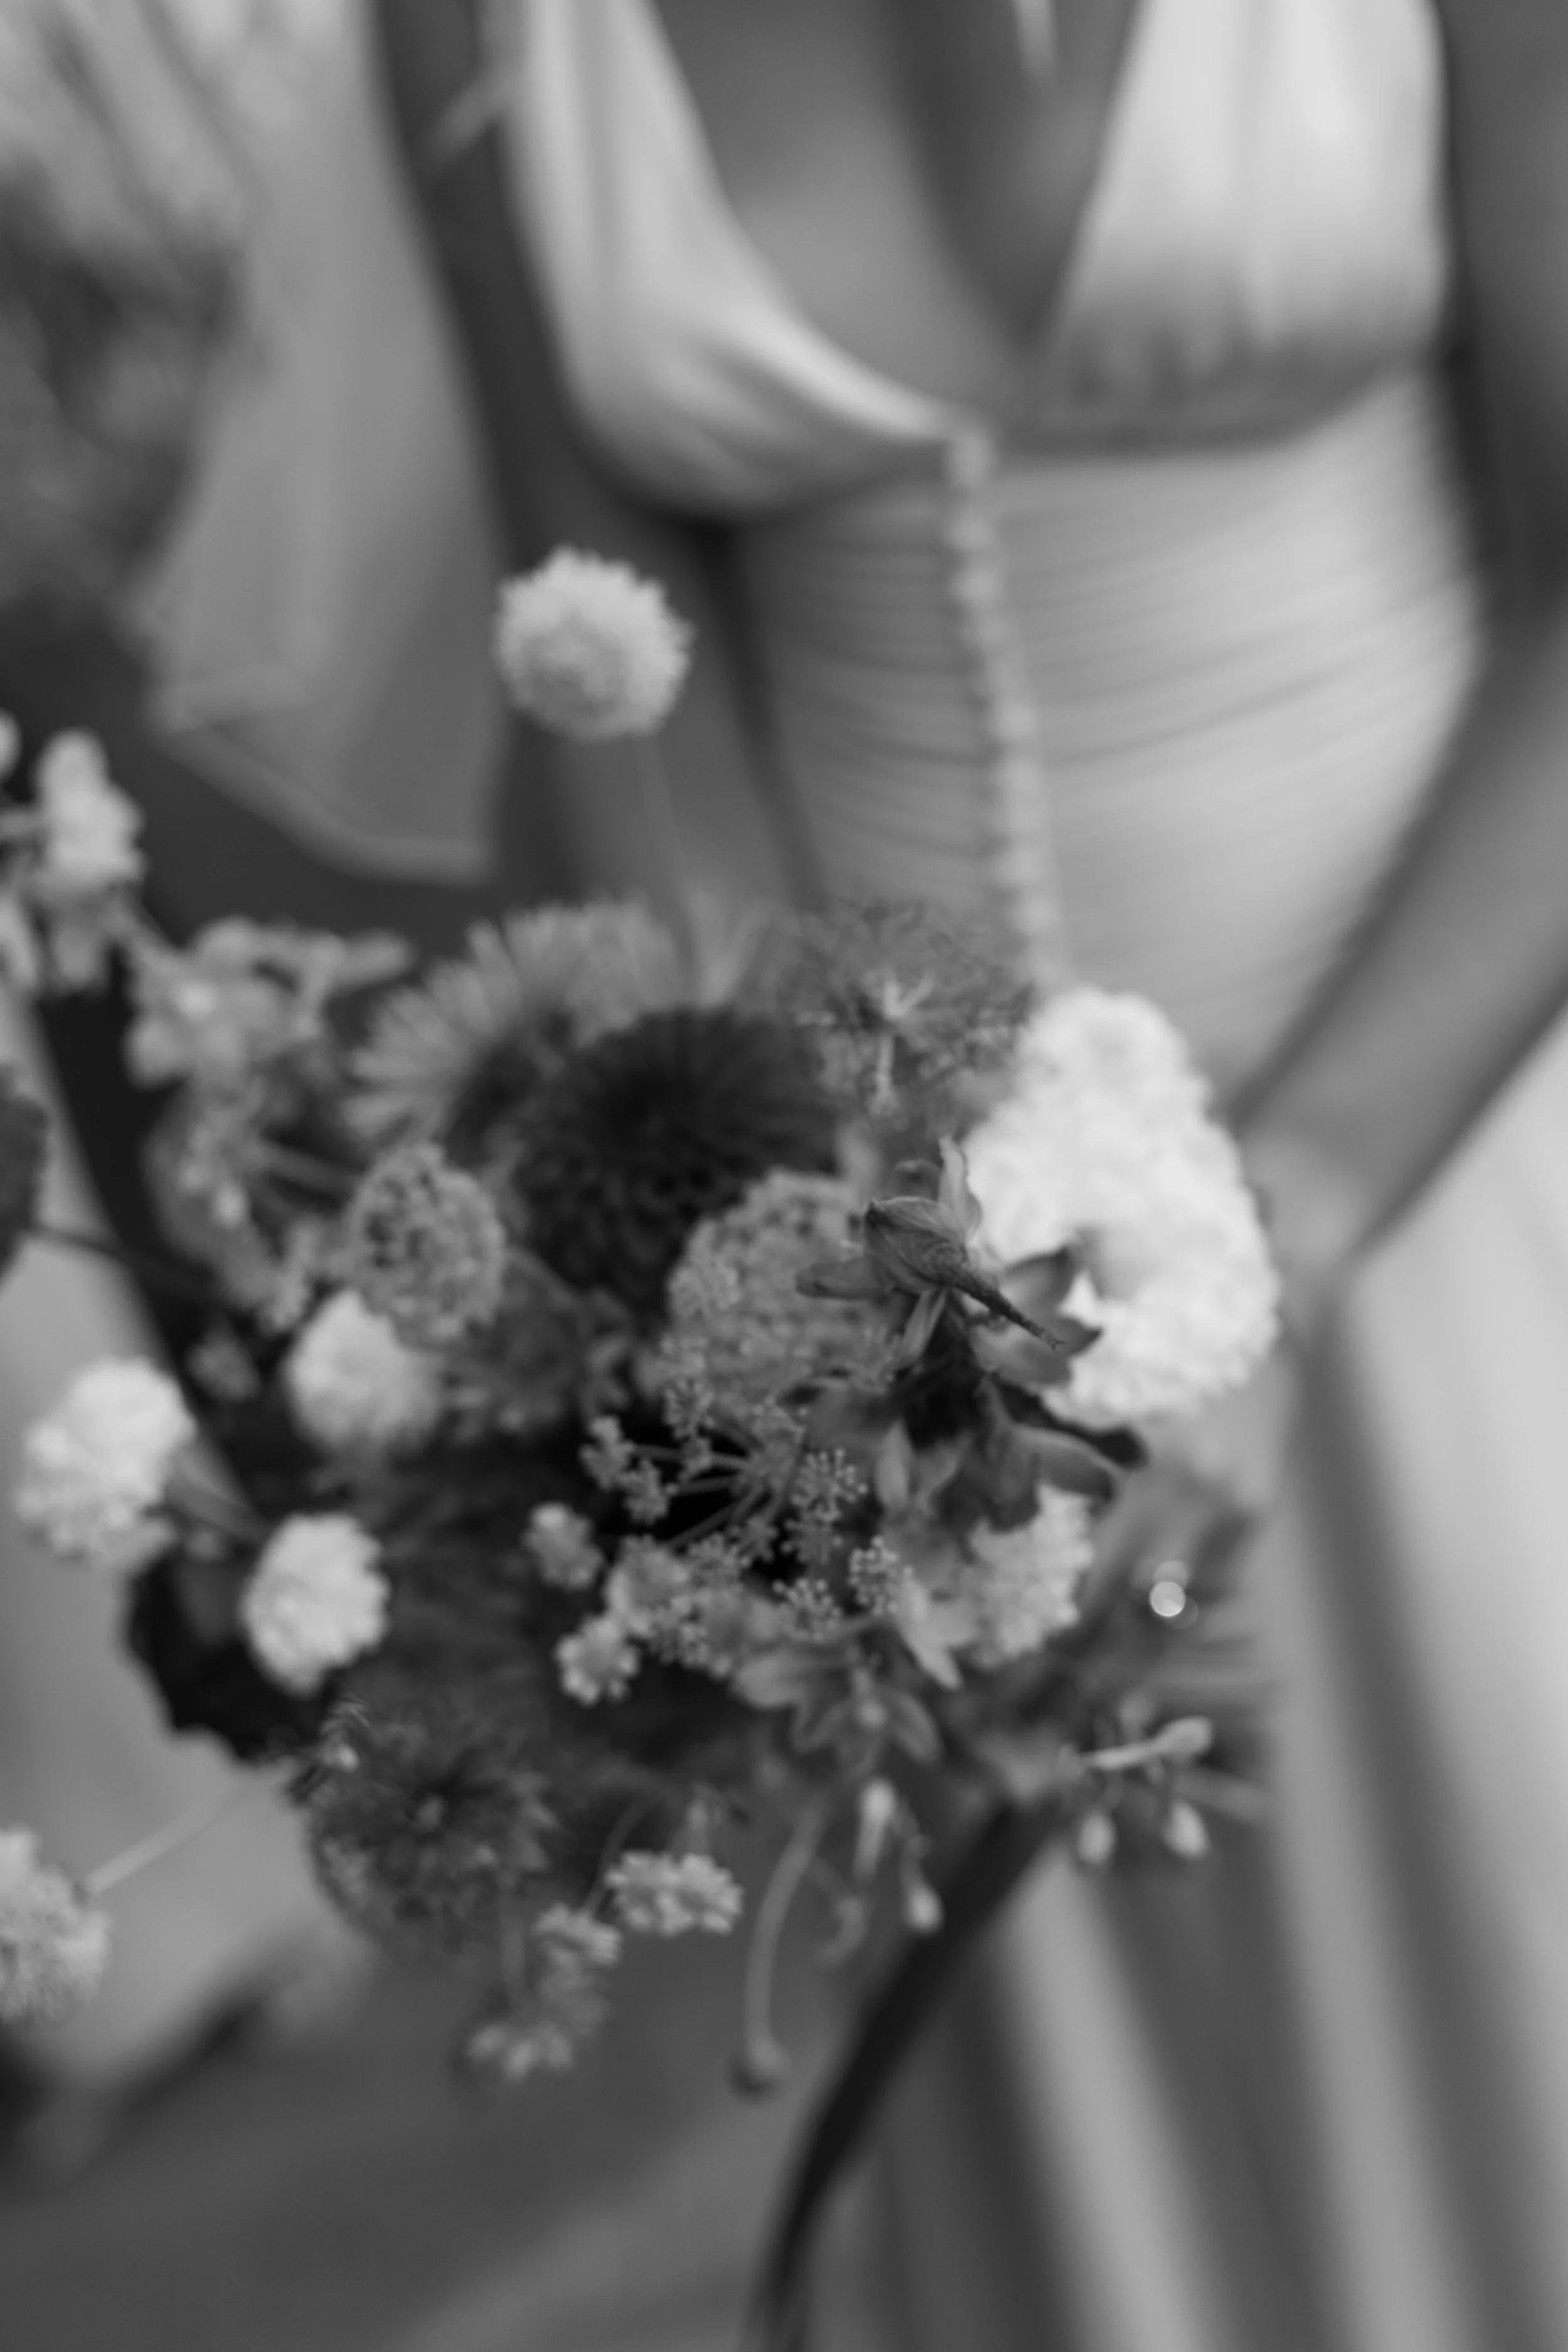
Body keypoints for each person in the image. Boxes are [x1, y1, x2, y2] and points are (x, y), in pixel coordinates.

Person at [140, 1, 1568, 2346]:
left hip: (1465, 1139)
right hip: (938, 1346)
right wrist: (798, 1279)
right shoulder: (481, 37)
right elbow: (639, 722)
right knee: (1110, 2133)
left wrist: (1285, 1219)